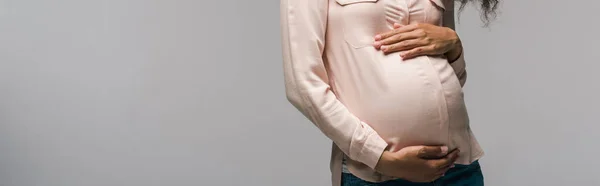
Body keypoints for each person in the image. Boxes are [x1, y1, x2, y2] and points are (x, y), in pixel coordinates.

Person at [279, 0, 498, 185]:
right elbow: (303, 85)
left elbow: (453, 77)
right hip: (376, 175)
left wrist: (454, 45)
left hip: (457, 167)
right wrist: (381, 158)